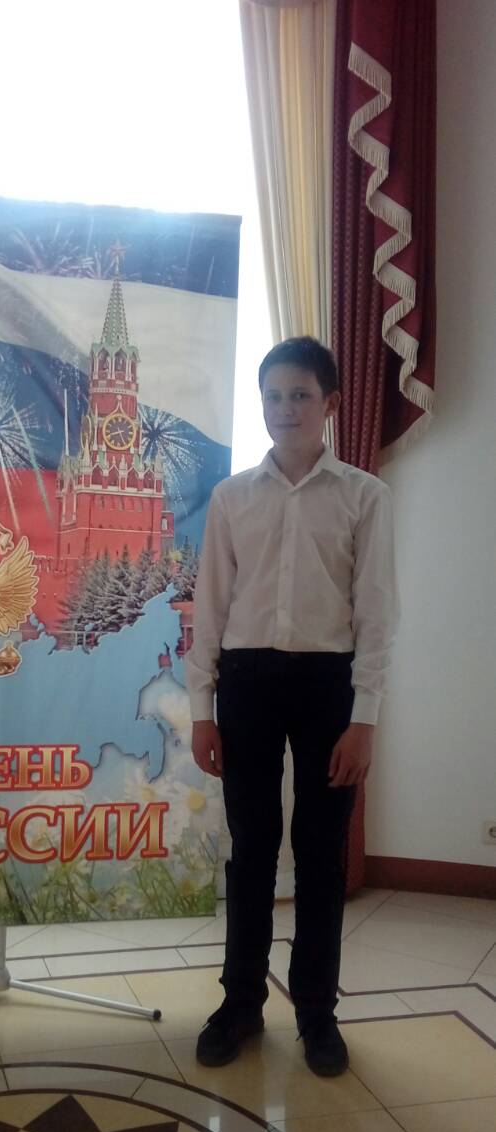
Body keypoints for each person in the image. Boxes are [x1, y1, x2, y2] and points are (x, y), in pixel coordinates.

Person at [186, 336, 400, 1076]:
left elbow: (377, 613)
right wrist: (202, 707)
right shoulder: (231, 497)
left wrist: (364, 717)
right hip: (246, 681)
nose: (286, 409)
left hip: (327, 686)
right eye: (274, 396)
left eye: (301, 395)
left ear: (329, 403)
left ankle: (317, 1012)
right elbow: (210, 606)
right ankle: (240, 1003)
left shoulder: (365, 497)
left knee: (319, 851)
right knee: (251, 849)